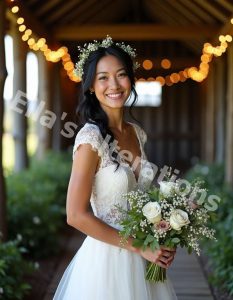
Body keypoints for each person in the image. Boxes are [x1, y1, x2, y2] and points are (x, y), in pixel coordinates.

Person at [53, 36, 177, 300]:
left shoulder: (137, 133)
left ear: (130, 79)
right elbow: (75, 215)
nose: (114, 85)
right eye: (103, 78)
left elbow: (139, 196)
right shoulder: (90, 139)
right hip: (106, 262)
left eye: (121, 75)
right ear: (90, 87)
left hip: (145, 256)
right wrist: (139, 248)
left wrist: (164, 230)